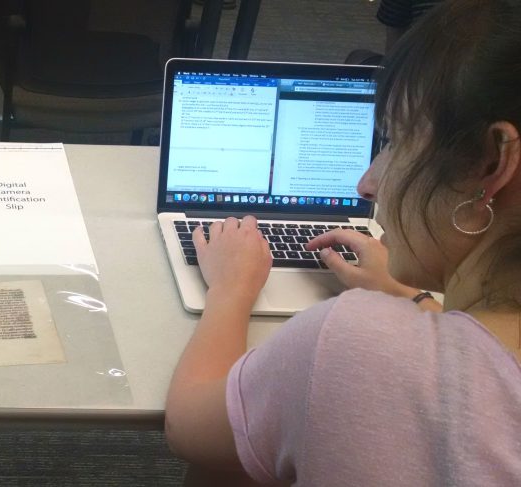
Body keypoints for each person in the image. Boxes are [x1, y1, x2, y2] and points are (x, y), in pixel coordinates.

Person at [165, 0, 521, 485]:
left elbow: (188, 425)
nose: (367, 184)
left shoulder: (356, 344)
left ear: (489, 164)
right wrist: (409, 296)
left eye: (396, 140)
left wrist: (231, 288)